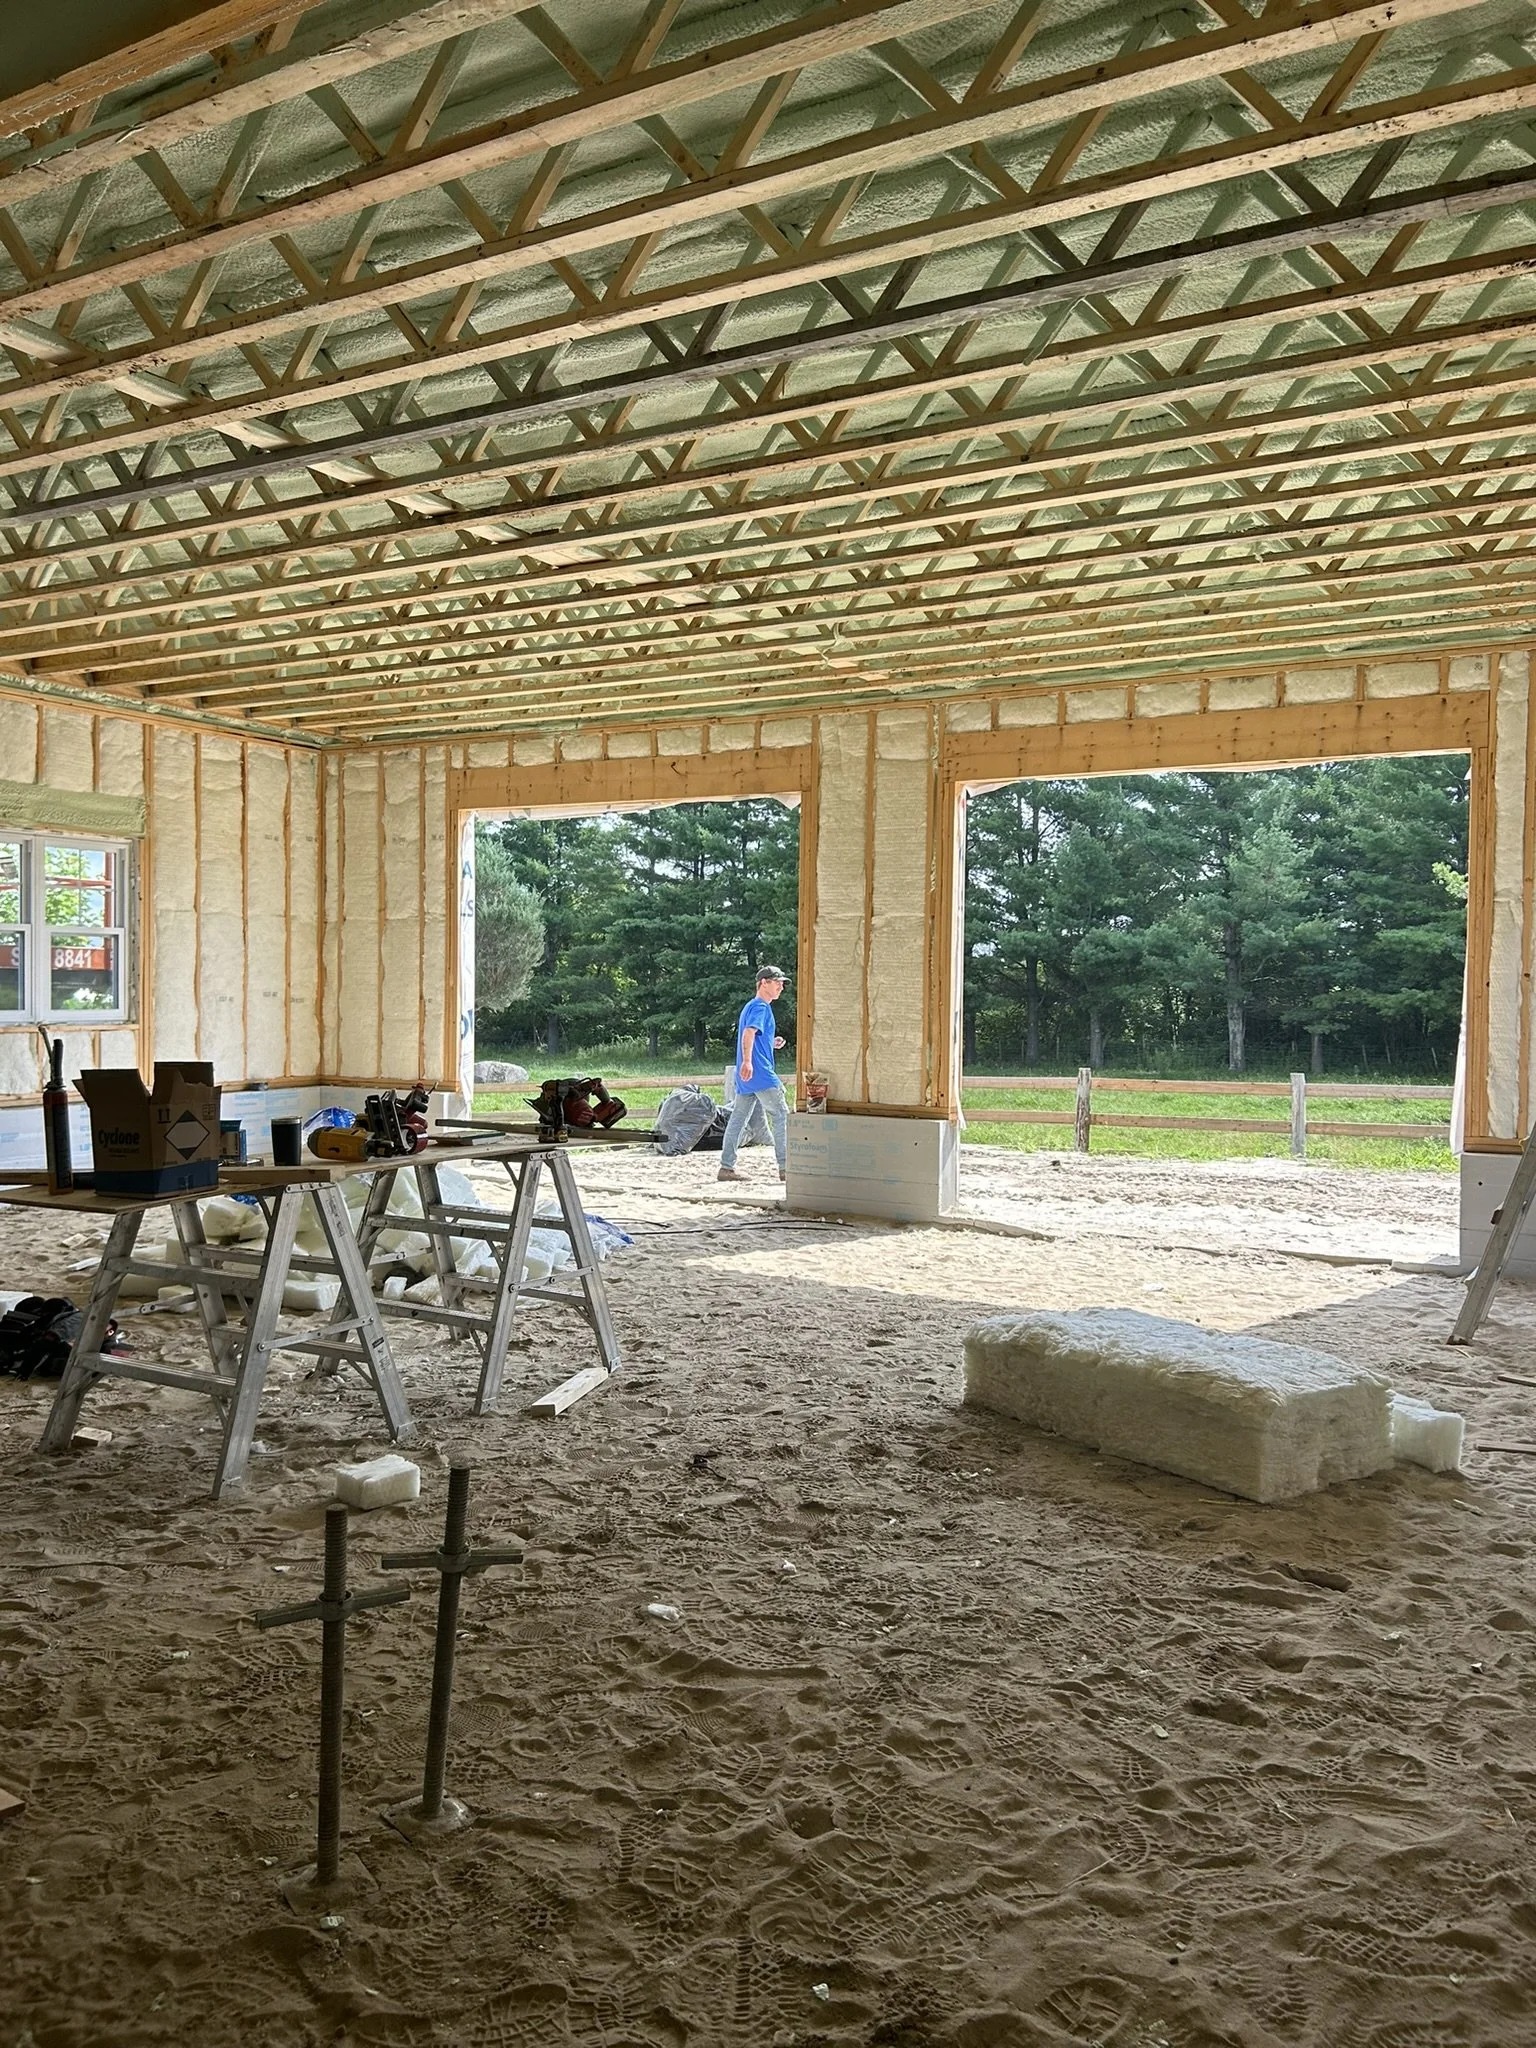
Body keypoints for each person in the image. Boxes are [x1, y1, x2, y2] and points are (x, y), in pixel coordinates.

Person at [717, 966, 788, 1182]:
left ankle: (726, 1167)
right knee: (781, 1115)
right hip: (761, 1074)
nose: (781, 986)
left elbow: (753, 1036)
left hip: (747, 1076)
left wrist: (770, 1043)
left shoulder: (750, 1006)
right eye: (777, 982)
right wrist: (748, 1061)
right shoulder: (761, 1007)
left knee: (738, 1118)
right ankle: (786, 1168)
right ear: (763, 982)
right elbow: (748, 1033)